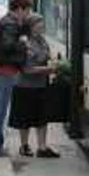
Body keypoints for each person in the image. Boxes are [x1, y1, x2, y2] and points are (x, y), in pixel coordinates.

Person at [0, 0, 32, 157]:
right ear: (19, 9)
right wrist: (23, 43)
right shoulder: (10, 24)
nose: (27, 15)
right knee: (0, 112)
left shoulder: (4, 21)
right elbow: (7, 45)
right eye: (26, 11)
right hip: (3, 73)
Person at [8, 14, 60, 158]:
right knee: (24, 118)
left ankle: (42, 147)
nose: (42, 27)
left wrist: (54, 61)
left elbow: (47, 56)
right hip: (25, 86)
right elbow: (27, 70)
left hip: (41, 85)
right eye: (39, 24)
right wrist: (50, 69)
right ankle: (24, 146)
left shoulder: (42, 41)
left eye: (42, 24)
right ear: (31, 27)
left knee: (42, 117)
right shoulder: (24, 43)